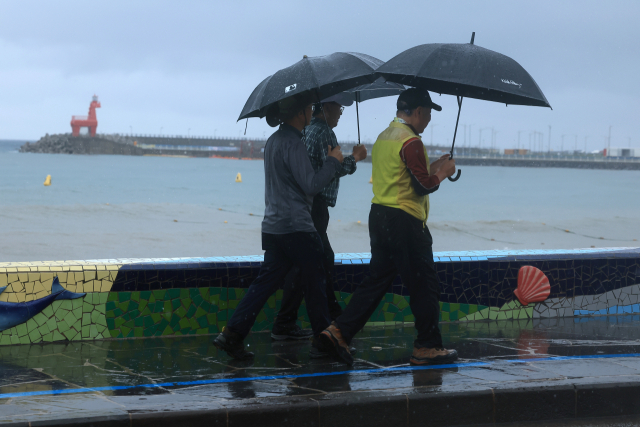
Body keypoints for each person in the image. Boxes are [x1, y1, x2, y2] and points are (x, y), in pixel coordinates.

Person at [318, 88, 458, 365]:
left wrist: (432, 166)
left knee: (377, 280)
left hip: (379, 216)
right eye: (428, 113)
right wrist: (443, 172)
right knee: (424, 284)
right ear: (417, 112)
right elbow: (421, 185)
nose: (429, 119)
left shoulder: (385, 137)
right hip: (404, 220)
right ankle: (427, 346)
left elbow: (402, 175)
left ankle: (339, 331)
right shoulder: (411, 141)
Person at [213, 93, 347, 361]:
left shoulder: (273, 141)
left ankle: (232, 334)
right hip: (297, 226)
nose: (312, 110)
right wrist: (333, 161)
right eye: (309, 107)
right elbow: (311, 185)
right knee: (315, 283)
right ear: (300, 114)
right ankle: (324, 342)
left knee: (264, 285)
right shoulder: (293, 143)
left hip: (273, 227)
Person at [270, 96, 367, 348]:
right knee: (318, 260)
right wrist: (355, 158)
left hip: (299, 208)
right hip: (316, 206)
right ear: (325, 108)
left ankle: (300, 322)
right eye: (339, 107)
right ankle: (327, 325)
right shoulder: (323, 132)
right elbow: (332, 168)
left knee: (305, 263)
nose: (341, 113)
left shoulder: (304, 131)